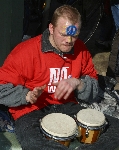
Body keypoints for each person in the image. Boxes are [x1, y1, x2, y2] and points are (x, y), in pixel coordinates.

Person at [0, 4, 119, 150]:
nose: (69, 40)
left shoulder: (81, 50)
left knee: (116, 129)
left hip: (66, 106)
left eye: (74, 35)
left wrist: (78, 84)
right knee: (33, 143)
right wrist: (26, 96)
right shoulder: (25, 52)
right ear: (51, 28)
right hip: (30, 110)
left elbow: (93, 91)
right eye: (63, 34)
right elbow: (1, 89)